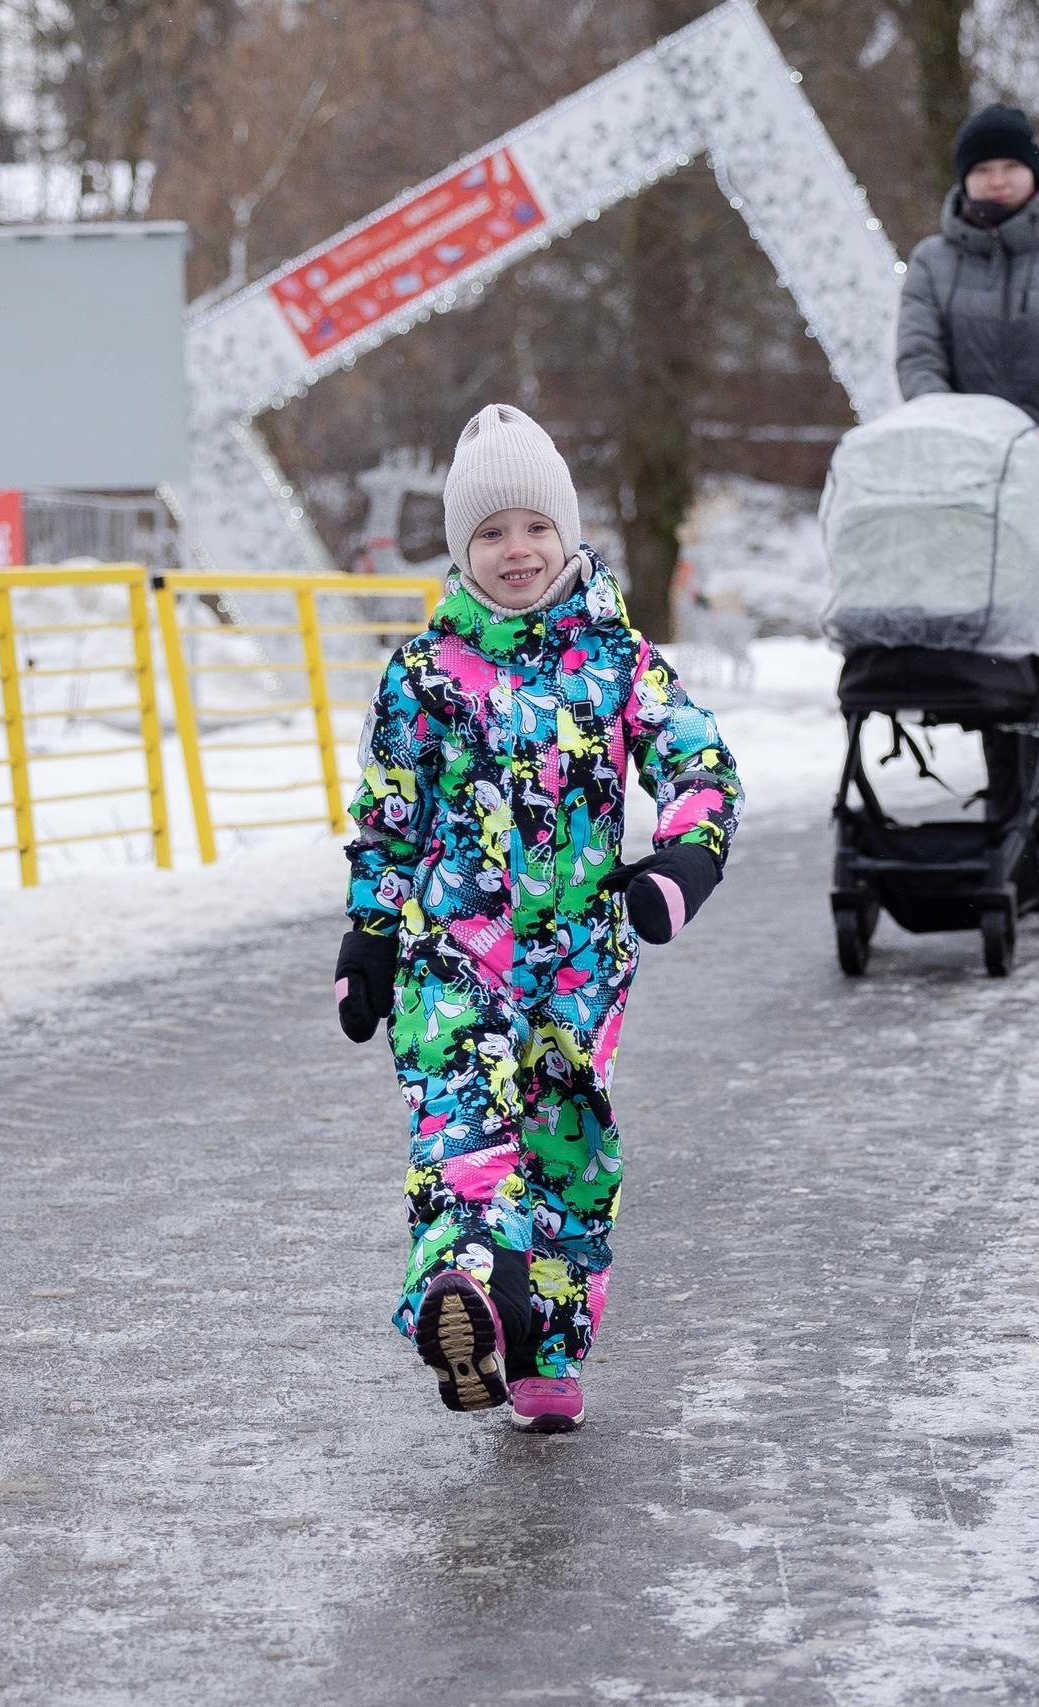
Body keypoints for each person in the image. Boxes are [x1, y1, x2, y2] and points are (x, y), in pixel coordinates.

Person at [331, 404, 741, 1434]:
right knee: (464, 1134)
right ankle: (469, 1296)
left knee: (568, 1150)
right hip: (451, 960)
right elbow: (387, 818)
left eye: (533, 528)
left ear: (566, 533)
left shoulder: (616, 658)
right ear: (461, 551)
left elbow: (700, 764)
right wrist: (370, 935)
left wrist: (680, 865)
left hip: (578, 968)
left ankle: (545, 1348)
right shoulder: (422, 674)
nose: (516, 550)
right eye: (489, 533)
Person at [896, 104, 1039, 892]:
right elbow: (920, 357)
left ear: (1035, 172)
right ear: (964, 179)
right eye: (982, 169)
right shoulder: (933, 262)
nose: (996, 181)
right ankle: (1008, 828)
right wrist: (953, 427)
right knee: (985, 665)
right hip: (968, 494)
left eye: (1009, 167)